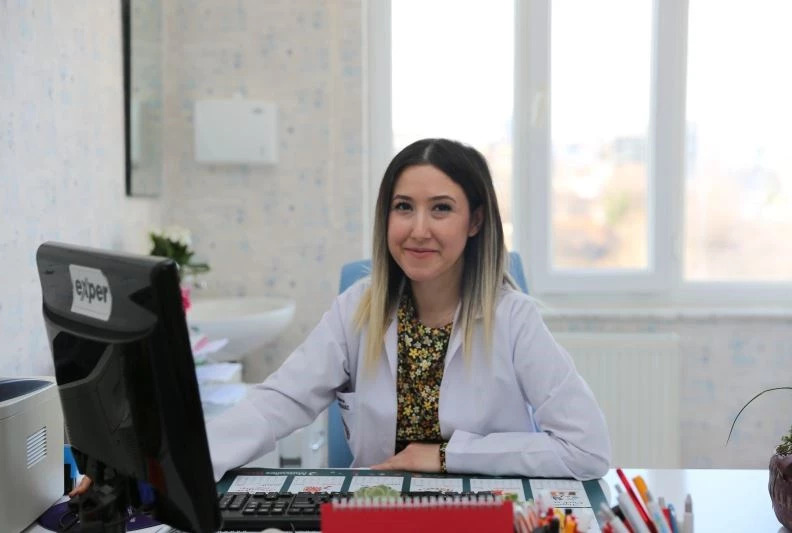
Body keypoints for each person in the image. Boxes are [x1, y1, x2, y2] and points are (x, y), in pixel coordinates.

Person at [206, 138, 611, 481]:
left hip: (483, 512)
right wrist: (189, 465)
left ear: (475, 221)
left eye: (441, 208)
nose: (418, 230)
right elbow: (279, 402)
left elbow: (586, 449)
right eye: (403, 207)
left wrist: (446, 456)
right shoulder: (357, 310)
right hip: (377, 511)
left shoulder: (515, 319)